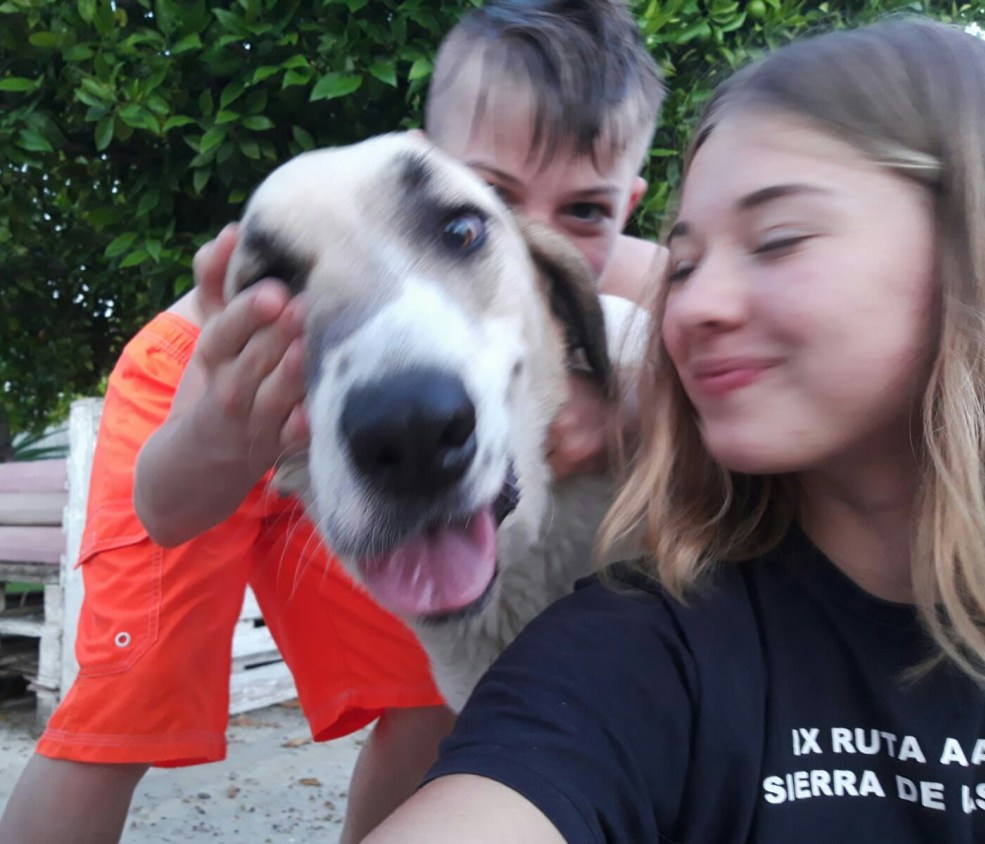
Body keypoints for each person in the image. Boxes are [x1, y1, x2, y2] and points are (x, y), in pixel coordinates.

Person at [0, 2, 665, 842]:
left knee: (422, 701)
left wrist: (627, 404)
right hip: (212, 398)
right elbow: (165, 509)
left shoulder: (601, 273)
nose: (533, 234)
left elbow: (718, 352)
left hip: (361, 441)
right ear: (429, 149)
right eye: (487, 203)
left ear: (623, 204)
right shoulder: (273, 274)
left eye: (584, 214)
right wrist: (222, 441)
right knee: (125, 708)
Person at [361, 18, 985, 843]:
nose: (694, 305)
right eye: (685, 264)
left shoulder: (604, 306)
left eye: (778, 240)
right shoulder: (648, 650)